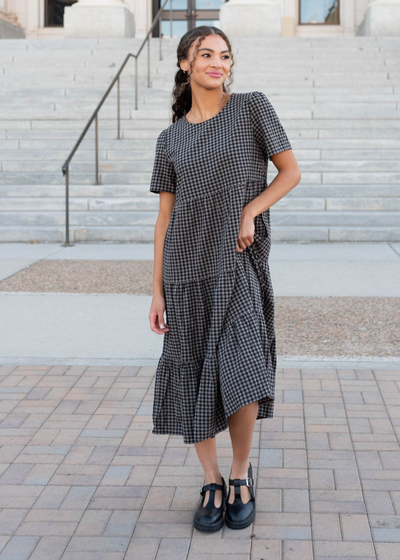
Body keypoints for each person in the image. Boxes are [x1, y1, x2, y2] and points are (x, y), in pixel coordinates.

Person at [148, 25, 301, 532]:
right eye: (207, 55)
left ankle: (240, 473)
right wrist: (156, 290)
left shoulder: (252, 107)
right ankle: (211, 479)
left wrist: (250, 211)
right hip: (186, 273)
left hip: (237, 265)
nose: (219, 62)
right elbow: (164, 220)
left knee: (241, 368)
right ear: (185, 64)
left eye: (226, 55)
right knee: (192, 374)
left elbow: (290, 172)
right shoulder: (170, 138)